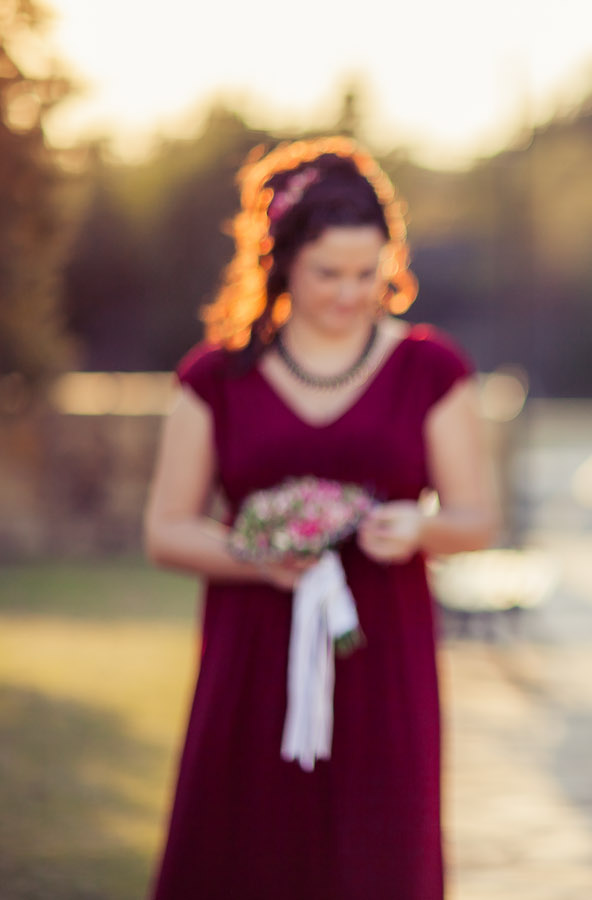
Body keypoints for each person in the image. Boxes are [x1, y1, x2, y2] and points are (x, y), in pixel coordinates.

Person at [143, 137, 499, 899]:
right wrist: (257, 556)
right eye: (327, 274)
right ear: (279, 262)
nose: (349, 293)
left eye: (367, 273)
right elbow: (166, 529)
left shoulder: (431, 369)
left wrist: (418, 529)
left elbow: (476, 519)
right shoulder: (215, 377)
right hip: (250, 660)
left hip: (384, 662)